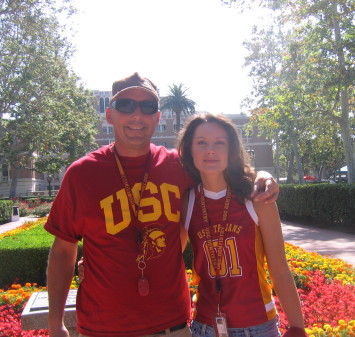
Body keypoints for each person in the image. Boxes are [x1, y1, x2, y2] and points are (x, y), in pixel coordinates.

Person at [45, 72, 279, 337]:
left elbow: (223, 170)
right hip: (103, 327)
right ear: (110, 115)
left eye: (147, 107)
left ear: (157, 117)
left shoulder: (178, 167)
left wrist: (262, 176)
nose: (137, 115)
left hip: (172, 325)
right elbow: (63, 251)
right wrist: (56, 323)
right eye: (125, 105)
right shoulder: (82, 174)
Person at [177, 113, 308, 337]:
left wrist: (297, 327)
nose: (211, 150)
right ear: (190, 150)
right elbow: (169, 264)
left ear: (232, 150)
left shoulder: (257, 197)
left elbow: (280, 269)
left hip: (257, 327)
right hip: (204, 326)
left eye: (220, 143)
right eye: (201, 143)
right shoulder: (186, 202)